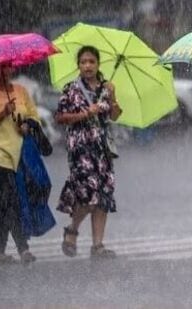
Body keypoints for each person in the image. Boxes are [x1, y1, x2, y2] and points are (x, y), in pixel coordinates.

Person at [55, 46, 122, 259]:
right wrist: (85, 113)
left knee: (103, 196)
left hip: (102, 149)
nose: (88, 66)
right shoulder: (71, 89)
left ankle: (98, 245)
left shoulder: (106, 86)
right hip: (80, 148)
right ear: (78, 65)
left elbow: (115, 115)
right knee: (88, 195)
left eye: (91, 61)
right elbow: (60, 117)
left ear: (98, 64)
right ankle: (72, 230)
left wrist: (112, 97)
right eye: (83, 62)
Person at [0, 61, 39, 265]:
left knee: (7, 202)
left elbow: (33, 117)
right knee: (10, 197)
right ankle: (23, 249)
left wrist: (26, 126)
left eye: (7, 66)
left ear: (12, 68)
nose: (3, 71)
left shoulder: (21, 91)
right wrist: (2, 112)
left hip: (18, 154)